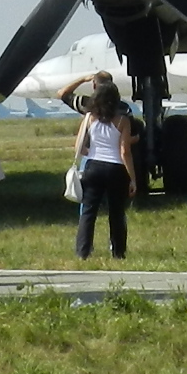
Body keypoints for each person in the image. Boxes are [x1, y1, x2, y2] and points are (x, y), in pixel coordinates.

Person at [72, 78, 137, 262]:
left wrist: (91, 152)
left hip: (93, 165)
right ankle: (118, 252)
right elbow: (125, 151)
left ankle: (82, 251)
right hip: (116, 167)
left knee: (88, 211)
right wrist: (132, 178)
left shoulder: (89, 118)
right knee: (117, 213)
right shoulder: (122, 120)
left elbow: (78, 146)